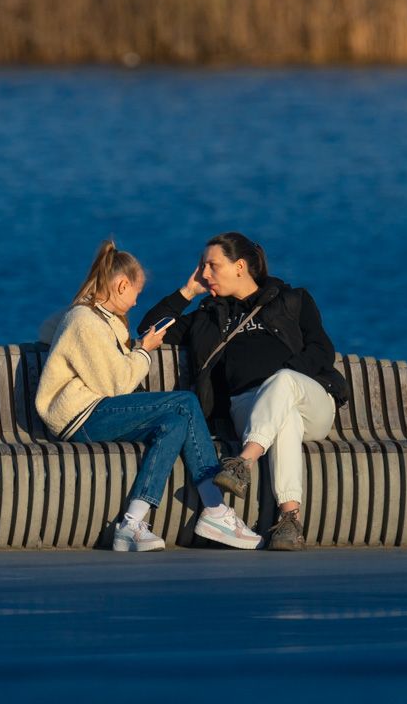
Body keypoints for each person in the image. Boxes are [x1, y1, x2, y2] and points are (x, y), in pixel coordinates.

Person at [34, 240, 262, 552]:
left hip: (95, 412)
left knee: (174, 422)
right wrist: (143, 351)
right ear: (121, 285)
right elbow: (115, 385)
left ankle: (132, 522)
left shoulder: (101, 318)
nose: (136, 302)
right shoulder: (84, 320)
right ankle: (216, 510)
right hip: (80, 418)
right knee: (184, 403)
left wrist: (187, 292)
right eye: (136, 294)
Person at [137, 232, 347, 551]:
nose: (205, 273)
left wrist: (284, 377)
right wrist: (188, 290)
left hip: (310, 399)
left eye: (211, 265)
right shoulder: (207, 317)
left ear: (239, 266)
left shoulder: (292, 300)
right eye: (201, 266)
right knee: (284, 417)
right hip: (248, 408)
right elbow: (149, 329)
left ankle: (243, 463)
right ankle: (290, 520)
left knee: (282, 384)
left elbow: (322, 349)